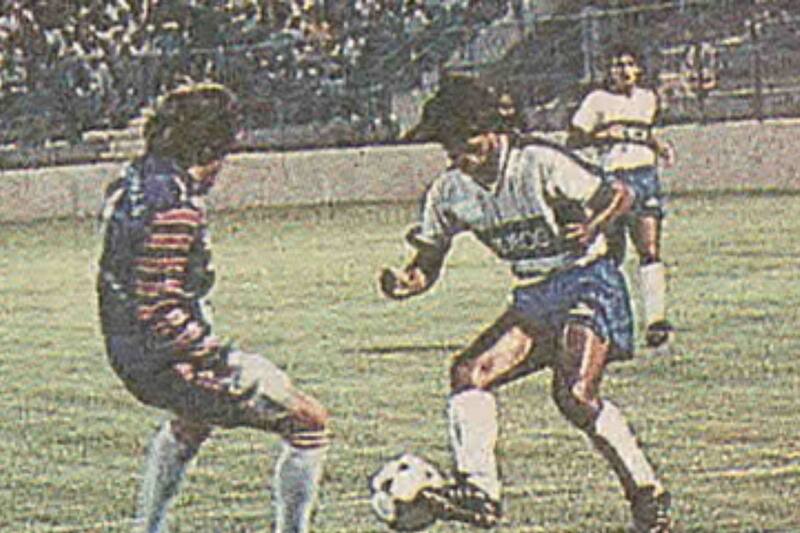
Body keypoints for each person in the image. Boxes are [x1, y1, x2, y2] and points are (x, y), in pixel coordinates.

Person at [379, 77, 671, 532]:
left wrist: (595, 224)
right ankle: (480, 493)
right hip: (535, 296)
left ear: (493, 130)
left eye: (467, 142)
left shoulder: (538, 162)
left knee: (574, 395)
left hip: (588, 283)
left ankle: (646, 492)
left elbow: (622, 194)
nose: (460, 156)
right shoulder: (450, 192)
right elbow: (427, 261)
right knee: (468, 373)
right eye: (450, 147)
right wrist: (407, 281)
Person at [96, 82, 329, 533]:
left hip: (128, 352)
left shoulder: (134, 181)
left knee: (193, 422)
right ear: (211, 146)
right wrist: (216, 356)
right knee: (309, 422)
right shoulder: (176, 207)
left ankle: (150, 527)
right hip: (167, 359)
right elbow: (159, 308)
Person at [567, 43, 676, 349]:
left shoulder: (647, 98)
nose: (624, 71)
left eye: (629, 64)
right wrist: (601, 135)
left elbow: (643, 132)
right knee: (610, 255)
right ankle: (611, 325)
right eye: (617, 65)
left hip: (644, 177)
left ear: (639, 69)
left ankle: (656, 321)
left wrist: (657, 146)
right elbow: (573, 138)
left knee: (649, 249)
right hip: (612, 181)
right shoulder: (597, 100)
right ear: (608, 71)